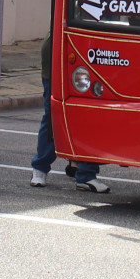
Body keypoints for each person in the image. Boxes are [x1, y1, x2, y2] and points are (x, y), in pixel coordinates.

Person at [29, 34, 107, 193]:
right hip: (59, 54)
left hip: (86, 53)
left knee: (87, 114)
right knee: (52, 116)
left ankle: (86, 175)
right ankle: (40, 168)